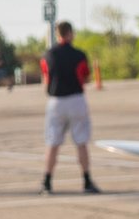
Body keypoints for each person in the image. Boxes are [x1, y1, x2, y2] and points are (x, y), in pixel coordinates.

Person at [39, 20, 98, 193]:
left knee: (52, 143)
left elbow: (46, 79)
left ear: (57, 34)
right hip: (76, 99)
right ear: (70, 33)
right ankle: (87, 180)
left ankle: (47, 181)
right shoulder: (79, 55)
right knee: (81, 142)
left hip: (56, 101)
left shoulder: (48, 55)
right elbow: (85, 77)